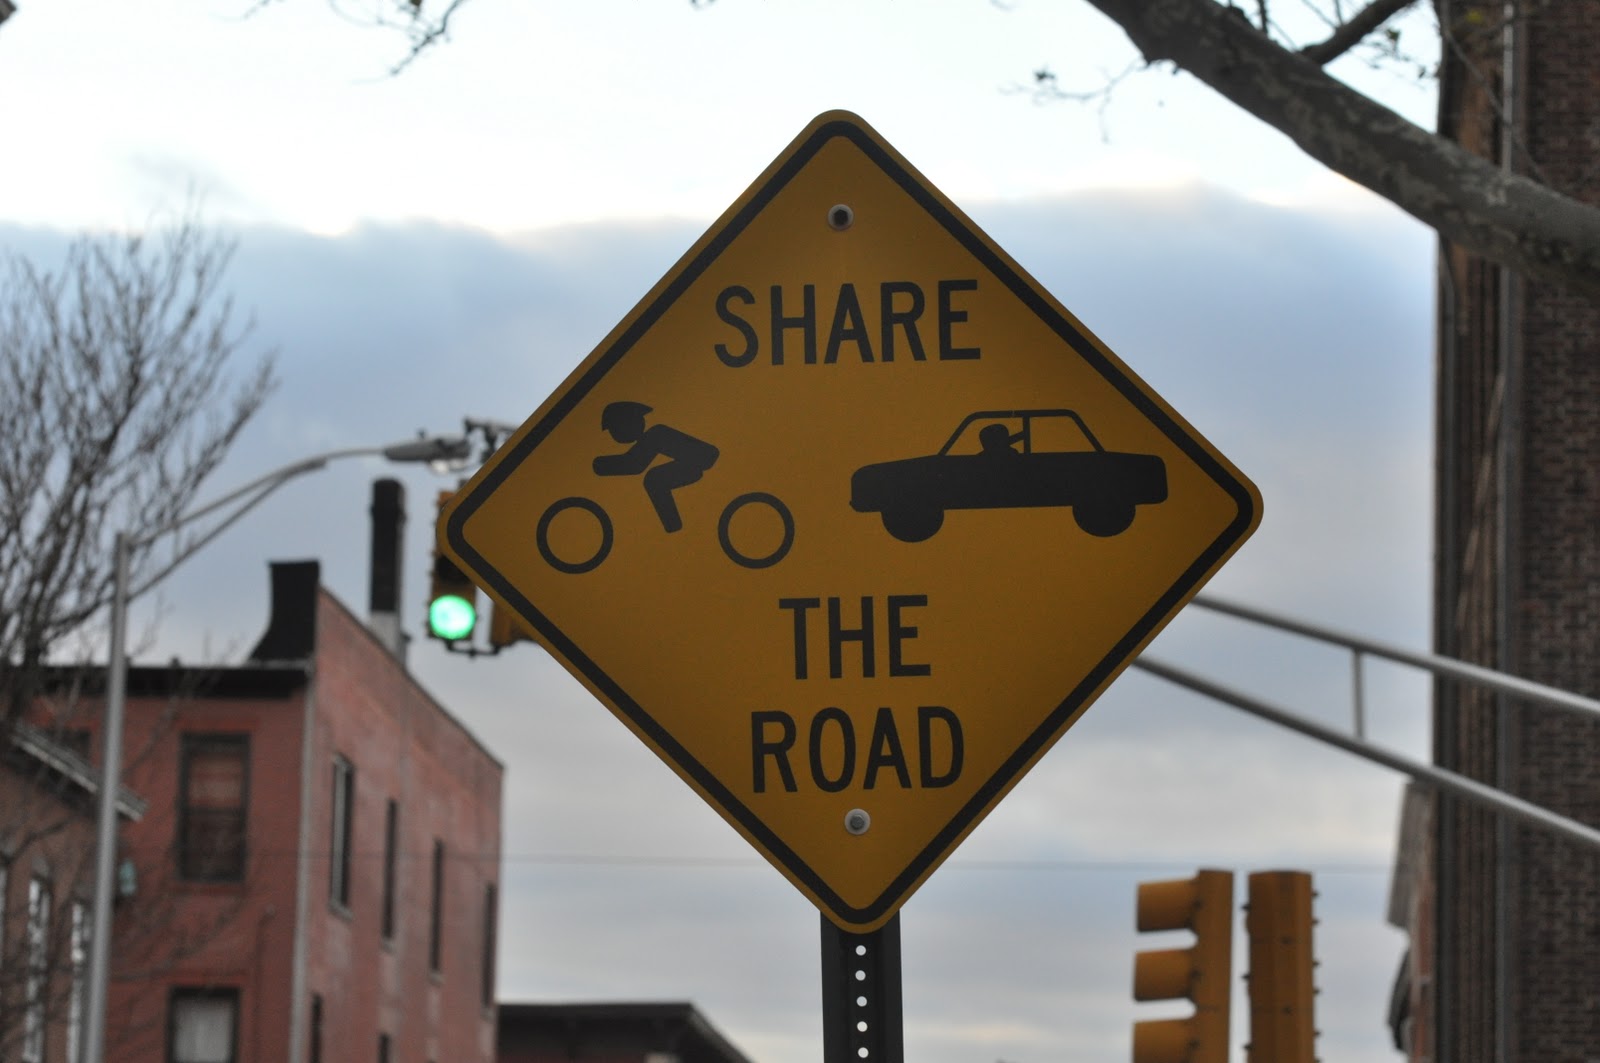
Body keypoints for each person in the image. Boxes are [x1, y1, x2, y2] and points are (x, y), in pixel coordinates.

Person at [592, 401, 720, 533]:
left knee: (654, 479)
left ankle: (674, 529)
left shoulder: (656, 435)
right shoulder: (653, 435)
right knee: (654, 479)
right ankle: (674, 529)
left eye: (616, 429)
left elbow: (634, 464)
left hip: (702, 459)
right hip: (698, 462)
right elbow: (634, 461)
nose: (615, 434)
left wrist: (598, 465)